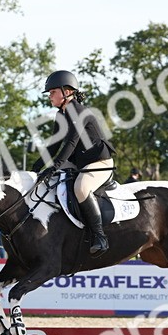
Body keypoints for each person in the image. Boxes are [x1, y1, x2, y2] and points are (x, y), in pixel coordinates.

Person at [34, 69, 116, 255]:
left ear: (67, 91)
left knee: (80, 188)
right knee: (47, 181)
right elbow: (55, 143)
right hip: (80, 163)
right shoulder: (61, 114)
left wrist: (54, 166)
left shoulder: (78, 111)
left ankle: (100, 237)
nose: (50, 96)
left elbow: (71, 142)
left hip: (99, 162)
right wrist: (39, 165)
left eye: (53, 92)